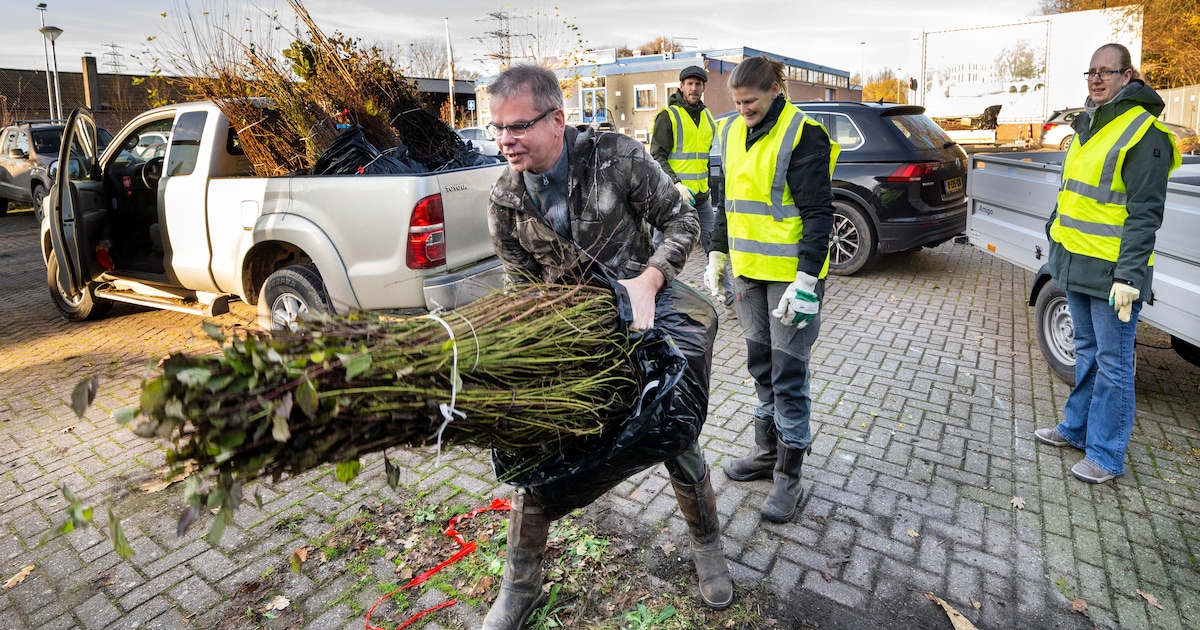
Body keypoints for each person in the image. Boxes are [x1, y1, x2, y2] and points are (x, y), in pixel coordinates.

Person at [482, 64, 733, 629]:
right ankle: (519, 585)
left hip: (645, 325)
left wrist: (650, 279)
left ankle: (707, 547)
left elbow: (680, 218)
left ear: (556, 120)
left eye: (517, 126)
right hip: (573, 343)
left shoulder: (617, 157)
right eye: (496, 128)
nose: (505, 140)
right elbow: (520, 287)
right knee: (535, 454)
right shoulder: (504, 199)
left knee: (675, 431)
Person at [1033, 43, 1181, 484]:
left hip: (1114, 274)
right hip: (1077, 263)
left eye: (1106, 72)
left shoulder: (1143, 133)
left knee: (1115, 365)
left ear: (1127, 76)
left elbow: (1144, 213)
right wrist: (1054, 229)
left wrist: (1130, 276)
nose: (1096, 79)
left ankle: (1106, 455)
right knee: (1088, 353)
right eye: (1091, 72)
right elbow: (1075, 192)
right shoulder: (1089, 124)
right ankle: (1076, 430)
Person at [704, 56, 838, 523]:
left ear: (776, 89)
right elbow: (727, 204)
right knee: (760, 364)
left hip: (790, 280)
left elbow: (820, 214)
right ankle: (766, 455)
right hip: (748, 273)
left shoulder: (804, 135)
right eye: (737, 103)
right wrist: (717, 253)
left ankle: (789, 476)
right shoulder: (729, 133)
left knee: (789, 373)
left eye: (751, 103)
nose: (743, 111)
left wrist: (806, 282)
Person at [649, 65, 733, 311]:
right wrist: (675, 183)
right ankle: (655, 295)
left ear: (703, 87)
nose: (694, 88)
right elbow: (657, 156)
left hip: (701, 197)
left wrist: (705, 186)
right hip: (672, 196)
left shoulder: (708, 117)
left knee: (713, 245)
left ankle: (727, 295)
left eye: (698, 84)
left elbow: (704, 158)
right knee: (661, 247)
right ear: (681, 86)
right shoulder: (669, 116)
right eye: (690, 84)